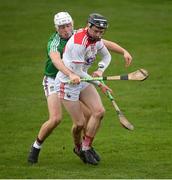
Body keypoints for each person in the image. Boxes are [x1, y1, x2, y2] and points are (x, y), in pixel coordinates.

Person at [28, 12, 132, 165]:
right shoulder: (56, 43)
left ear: (73, 23)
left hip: (79, 77)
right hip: (58, 79)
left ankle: (85, 147)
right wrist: (76, 75)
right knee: (58, 119)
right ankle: (36, 146)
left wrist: (123, 51)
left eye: (68, 25)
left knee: (96, 113)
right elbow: (57, 61)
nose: (66, 29)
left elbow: (103, 44)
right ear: (56, 28)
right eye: (62, 27)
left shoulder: (85, 34)